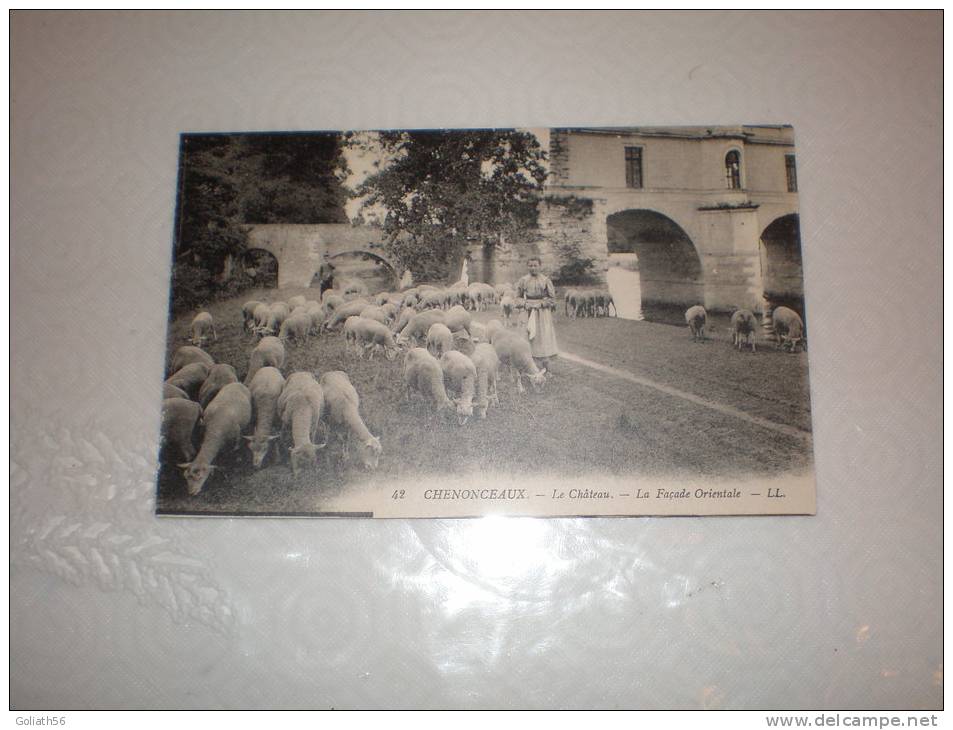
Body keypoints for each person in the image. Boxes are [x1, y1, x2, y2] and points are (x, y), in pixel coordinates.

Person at [516, 256, 558, 370]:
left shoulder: (545, 280)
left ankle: (546, 366)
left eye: (535, 265)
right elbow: (517, 298)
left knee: (542, 337)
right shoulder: (523, 280)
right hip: (527, 311)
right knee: (526, 336)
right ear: (527, 266)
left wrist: (542, 304)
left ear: (540, 266)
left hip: (542, 313)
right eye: (530, 265)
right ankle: (528, 364)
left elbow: (552, 299)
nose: (533, 268)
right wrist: (525, 304)